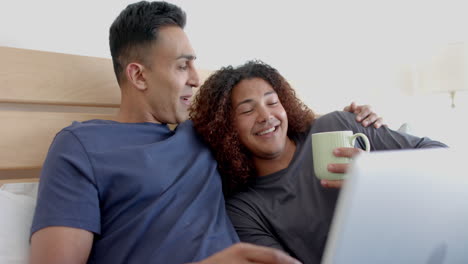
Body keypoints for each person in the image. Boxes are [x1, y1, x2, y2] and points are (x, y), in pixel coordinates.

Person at [29, 2, 383, 264]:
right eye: (183, 66)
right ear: (138, 76)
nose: (196, 79)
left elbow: (270, 121)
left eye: (195, 64)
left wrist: (348, 118)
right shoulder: (80, 147)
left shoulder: (202, 135)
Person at [189, 60, 447, 264]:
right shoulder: (244, 209)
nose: (266, 116)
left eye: (272, 102)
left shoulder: (338, 126)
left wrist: (378, 174)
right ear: (226, 128)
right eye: (247, 110)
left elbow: (442, 156)